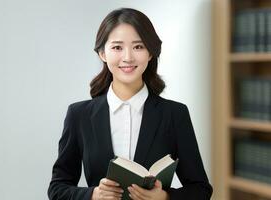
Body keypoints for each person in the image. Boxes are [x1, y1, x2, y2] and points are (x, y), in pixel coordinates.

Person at [48, 7, 213, 200]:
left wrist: (165, 198)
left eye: (138, 47)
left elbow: (201, 189)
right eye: (117, 47)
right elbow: (57, 189)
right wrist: (93, 195)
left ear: (150, 53)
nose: (128, 57)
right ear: (102, 53)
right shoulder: (79, 115)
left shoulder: (174, 114)